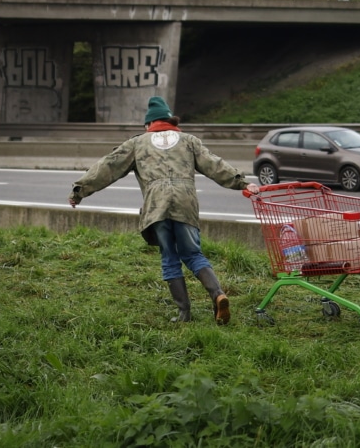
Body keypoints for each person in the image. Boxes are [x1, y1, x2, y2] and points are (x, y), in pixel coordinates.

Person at [68, 96, 259, 324]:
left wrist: (80, 190)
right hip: (185, 202)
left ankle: (184, 314)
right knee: (192, 254)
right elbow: (214, 164)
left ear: (148, 125)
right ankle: (218, 295)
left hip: (156, 205)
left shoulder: (137, 143)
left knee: (170, 257)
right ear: (171, 121)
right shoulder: (188, 140)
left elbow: (108, 166)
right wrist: (242, 183)